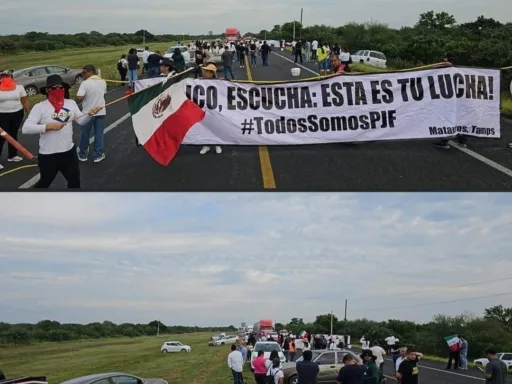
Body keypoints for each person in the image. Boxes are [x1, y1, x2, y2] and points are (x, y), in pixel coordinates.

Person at [21, 74, 102, 188]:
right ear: (48, 90)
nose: (58, 90)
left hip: (69, 153)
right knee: (44, 183)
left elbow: (81, 121)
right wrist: (47, 127)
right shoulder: (40, 107)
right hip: (48, 155)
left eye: (61, 87)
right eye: (54, 88)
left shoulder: (71, 103)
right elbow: (26, 128)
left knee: (75, 183)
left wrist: (89, 114)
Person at [433, 52, 469, 149]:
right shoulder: (463, 70)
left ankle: (445, 141)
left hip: (452, 100)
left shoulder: (448, 71)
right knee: (461, 119)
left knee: (449, 118)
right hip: (462, 99)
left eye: (445, 58)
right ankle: (463, 141)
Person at [0, 69, 30, 170]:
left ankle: (12, 156)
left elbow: (25, 101)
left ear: (12, 78)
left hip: (17, 113)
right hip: (2, 115)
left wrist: (29, 113)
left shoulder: (19, 88)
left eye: (7, 76)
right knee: (2, 137)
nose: (6, 78)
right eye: (3, 77)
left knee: (13, 134)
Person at [76, 65, 107, 163]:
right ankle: (98, 155)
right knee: (99, 134)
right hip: (100, 111)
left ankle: (83, 154)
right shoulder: (103, 82)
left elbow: (79, 97)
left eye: (84, 73)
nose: (83, 75)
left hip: (87, 113)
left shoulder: (85, 83)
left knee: (85, 134)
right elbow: (103, 94)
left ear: (90, 72)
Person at [199, 63, 222, 155]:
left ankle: (217, 144)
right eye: (205, 71)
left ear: (212, 73)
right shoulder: (200, 81)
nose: (204, 72)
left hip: (214, 108)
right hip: (203, 107)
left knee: (215, 127)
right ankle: (206, 145)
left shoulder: (218, 82)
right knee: (204, 127)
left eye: (207, 71)